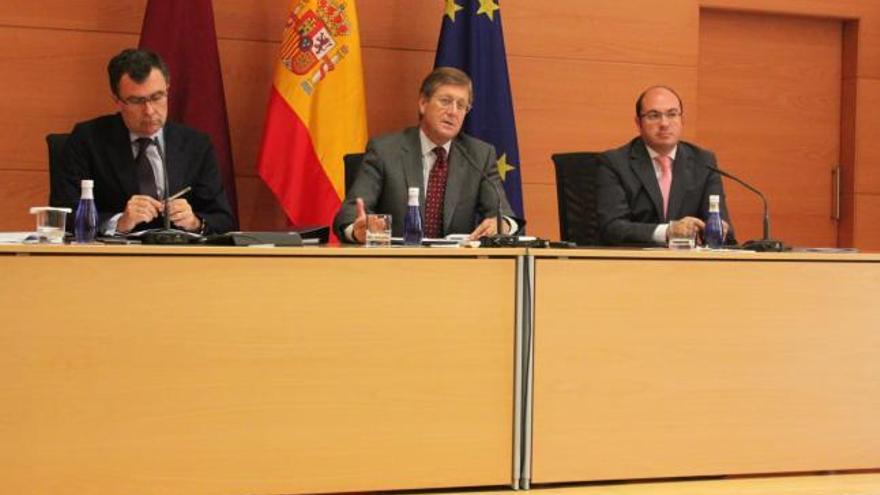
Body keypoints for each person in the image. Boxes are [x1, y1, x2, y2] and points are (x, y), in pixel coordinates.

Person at [51, 48, 236, 235]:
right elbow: (62, 216)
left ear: (167, 90)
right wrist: (118, 222)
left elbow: (223, 219)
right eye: (137, 101)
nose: (149, 110)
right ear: (117, 100)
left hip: (179, 257)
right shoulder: (87, 140)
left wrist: (195, 222)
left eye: (157, 97)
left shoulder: (196, 144)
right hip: (113, 259)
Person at [333, 67, 521, 243]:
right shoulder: (385, 151)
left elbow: (504, 214)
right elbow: (349, 215)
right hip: (394, 266)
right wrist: (358, 231)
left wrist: (502, 224)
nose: (453, 112)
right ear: (423, 103)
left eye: (461, 105)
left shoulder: (479, 155)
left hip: (457, 269)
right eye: (446, 101)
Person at [597, 85, 735, 246]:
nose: (664, 123)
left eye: (672, 114)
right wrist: (668, 231)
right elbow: (612, 228)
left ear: (682, 120)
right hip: (634, 263)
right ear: (638, 123)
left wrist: (717, 229)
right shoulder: (615, 163)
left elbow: (723, 226)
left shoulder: (703, 162)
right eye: (654, 115)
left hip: (690, 265)